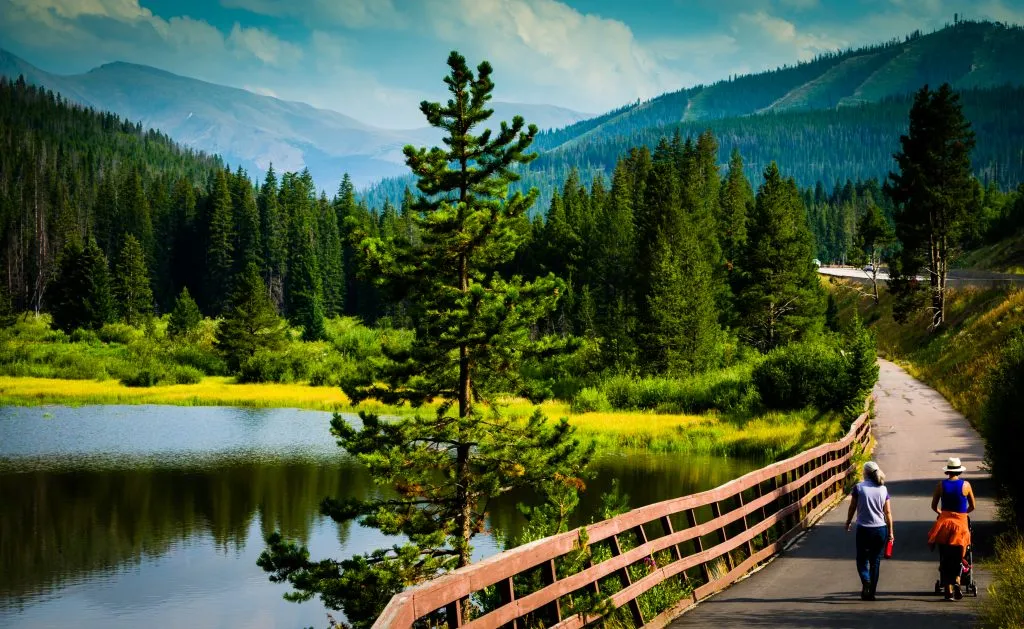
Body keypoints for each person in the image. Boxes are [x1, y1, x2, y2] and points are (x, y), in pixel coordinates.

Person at [928, 457, 976, 601]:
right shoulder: (966, 485)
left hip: (944, 525)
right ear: (960, 470)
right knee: (959, 556)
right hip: (960, 526)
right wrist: (962, 514)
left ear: (947, 471)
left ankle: (948, 590)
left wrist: (942, 514)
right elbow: (973, 506)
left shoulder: (940, 485)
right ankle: (957, 581)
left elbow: (933, 506)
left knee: (945, 556)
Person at [845, 461, 894, 601]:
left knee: (861, 559)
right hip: (880, 529)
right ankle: (871, 592)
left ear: (865, 473)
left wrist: (848, 522)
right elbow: (888, 513)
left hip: (864, 529)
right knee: (875, 561)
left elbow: (852, 507)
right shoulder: (883, 489)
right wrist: (891, 532)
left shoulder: (859, 488)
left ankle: (866, 580)